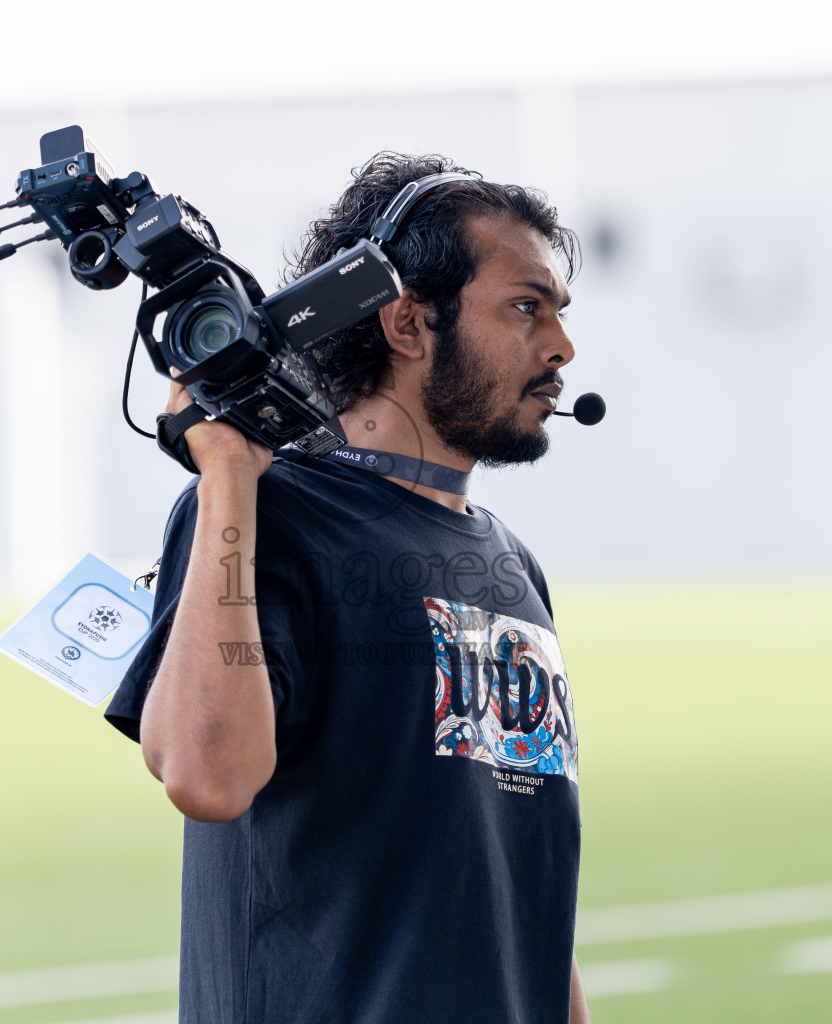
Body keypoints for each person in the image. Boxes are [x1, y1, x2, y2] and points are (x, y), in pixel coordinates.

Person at [105, 152, 588, 1024]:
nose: (560, 346)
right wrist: (225, 477)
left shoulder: (509, 563)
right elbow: (206, 779)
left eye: (556, 312)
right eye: (526, 306)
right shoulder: (266, 510)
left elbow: (524, 873)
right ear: (407, 324)